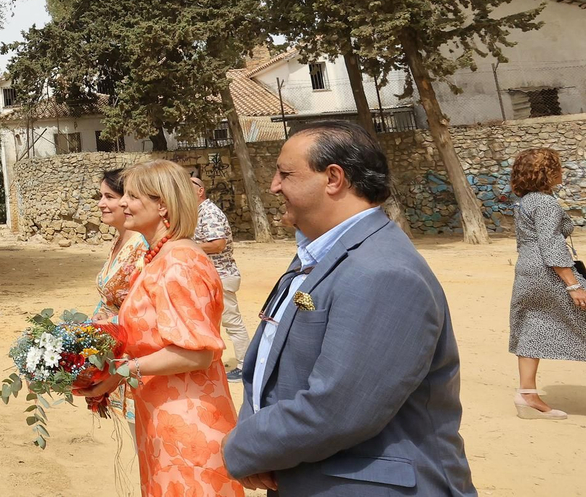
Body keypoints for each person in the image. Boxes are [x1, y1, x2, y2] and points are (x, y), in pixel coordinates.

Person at [222, 121, 475, 496]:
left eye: (285, 173)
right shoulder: (320, 255)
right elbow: (269, 368)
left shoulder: (382, 271)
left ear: (334, 178)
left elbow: (337, 408)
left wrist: (243, 447)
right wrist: (261, 446)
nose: (274, 185)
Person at [77, 159, 244, 497]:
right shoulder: (161, 257)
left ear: (163, 205)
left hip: (186, 419)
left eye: (133, 196)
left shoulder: (181, 261)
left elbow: (195, 353)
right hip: (162, 412)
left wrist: (121, 371)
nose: (122, 202)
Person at [507, 146, 586, 419]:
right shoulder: (545, 203)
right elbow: (551, 244)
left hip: (527, 269)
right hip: (547, 270)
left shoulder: (527, 202)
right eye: (558, 167)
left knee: (533, 323)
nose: (561, 171)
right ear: (547, 172)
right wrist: (573, 284)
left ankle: (526, 394)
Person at [91, 167, 148, 423]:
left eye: (109, 196)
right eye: (100, 196)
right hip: (116, 354)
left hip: (137, 359)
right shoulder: (121, 241)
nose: (101, 204)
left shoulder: (142, 246)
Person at [191, 173, 250, 375]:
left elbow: (218, 244)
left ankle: (245, 365)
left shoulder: (209, 212)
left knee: (232, 322)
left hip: (221, 276)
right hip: (210, 277)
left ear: (200, 190)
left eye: (190, 186)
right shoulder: (197, 212)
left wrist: (188, 246)